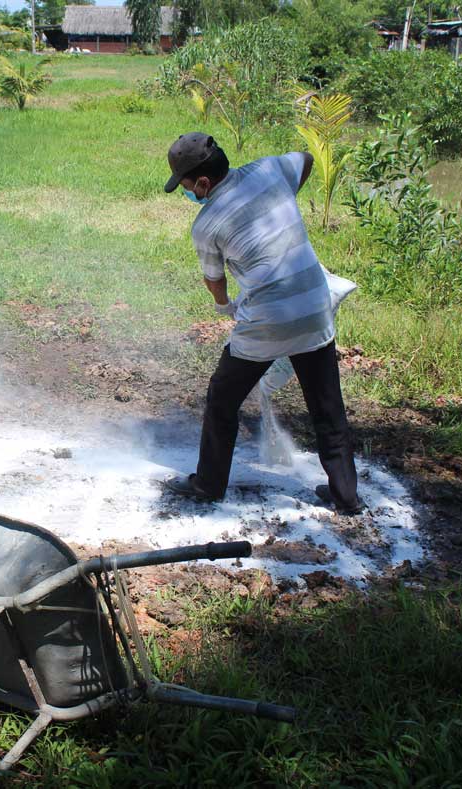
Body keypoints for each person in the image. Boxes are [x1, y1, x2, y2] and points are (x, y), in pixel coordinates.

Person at [161, 132, 364, 515]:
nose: (188, 194)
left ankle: (208, 483)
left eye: (187, 187)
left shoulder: (207, 224)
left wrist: (223, 306)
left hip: (267, 321)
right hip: (315, 308)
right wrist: (285, 193)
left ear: (203, 183)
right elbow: (304, 158)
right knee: (327, 406)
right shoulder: (269, 169)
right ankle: (346, 495)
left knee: (223, 398)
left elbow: (215, 280)